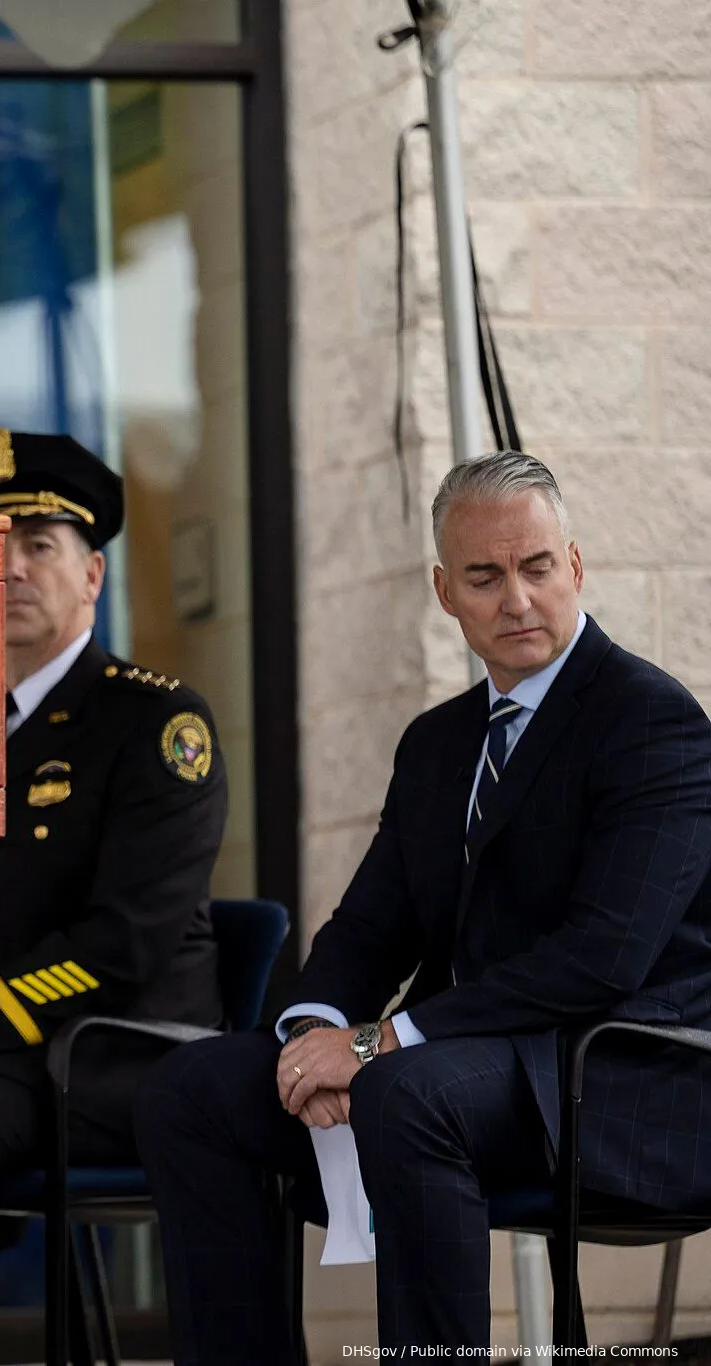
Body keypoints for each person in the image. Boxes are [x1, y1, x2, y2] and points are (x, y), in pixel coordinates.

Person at [136, 451, 711, 1361]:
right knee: (194, 1090)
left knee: (405, 1092)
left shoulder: (651, 719)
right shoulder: (439, 744)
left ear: (576, 566)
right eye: (485, 576)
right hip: (473, 1068)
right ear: (446, 592)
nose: (516, 600)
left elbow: (605, 956)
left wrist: (378, 1041)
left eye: (537, 568)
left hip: (619, 1072)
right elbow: (370, 925)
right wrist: (310, 1036)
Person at [0, 428, 229, 1366]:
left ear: (93, 577)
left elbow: (124, 944)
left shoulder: (157, 724)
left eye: (39, 544)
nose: (11, 568)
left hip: (109, 1053)